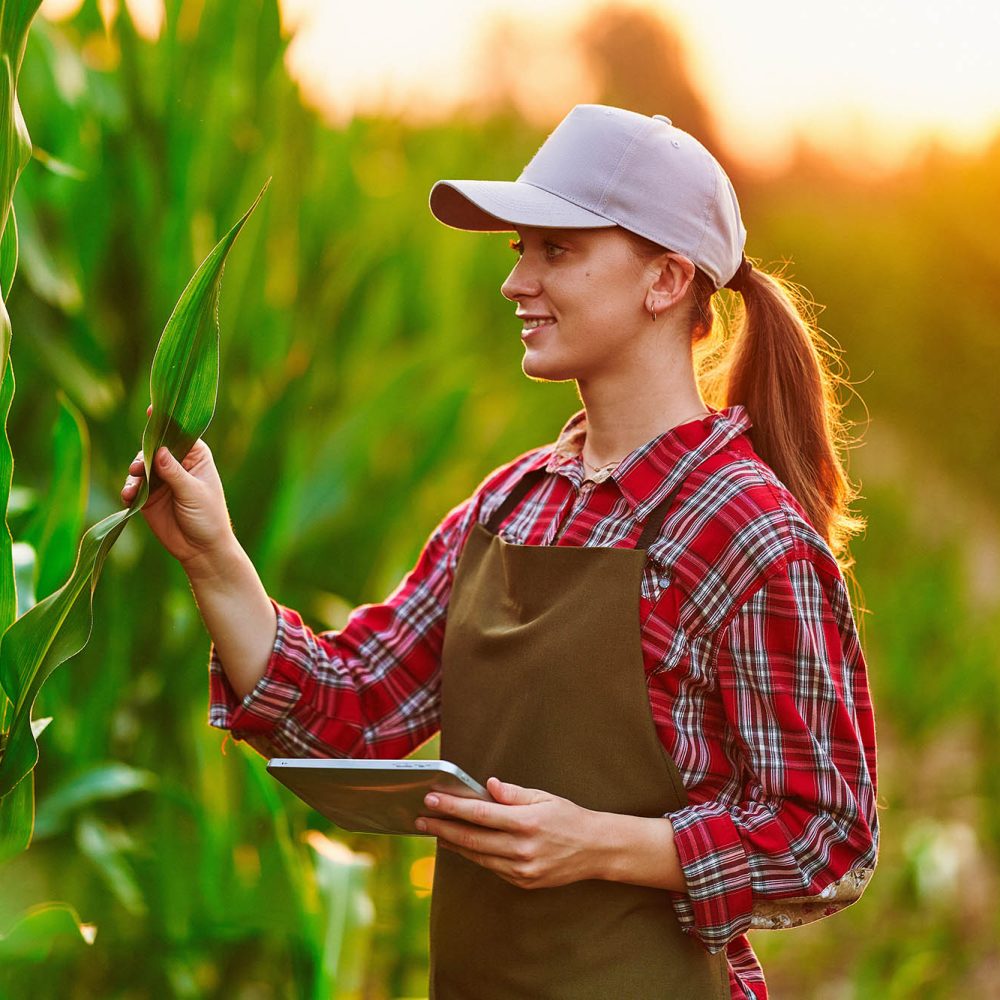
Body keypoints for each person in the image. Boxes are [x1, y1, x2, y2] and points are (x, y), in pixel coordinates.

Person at [121, 105, 879, 999]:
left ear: (666, 280)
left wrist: (602, 844)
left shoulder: (748, 536)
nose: (517, 282)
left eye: (555, 250)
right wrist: (214, 559)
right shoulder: (510, 505)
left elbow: (829, 840)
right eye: (520, 250)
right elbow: (353, 709)